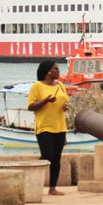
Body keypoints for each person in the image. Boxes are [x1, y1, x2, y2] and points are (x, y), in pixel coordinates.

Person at [28, 60, 70, 196]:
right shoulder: (37, 87)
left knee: (56, 157)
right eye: (56, 69)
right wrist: (46, 100)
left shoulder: (61, 86)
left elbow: (65, 102)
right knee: (47, 155)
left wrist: (66, 107)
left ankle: (53, 188)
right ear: (48, 72)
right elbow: (30, 106)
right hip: (44, 126)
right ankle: (31, 173)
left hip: (60, 126)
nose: (58, 71)